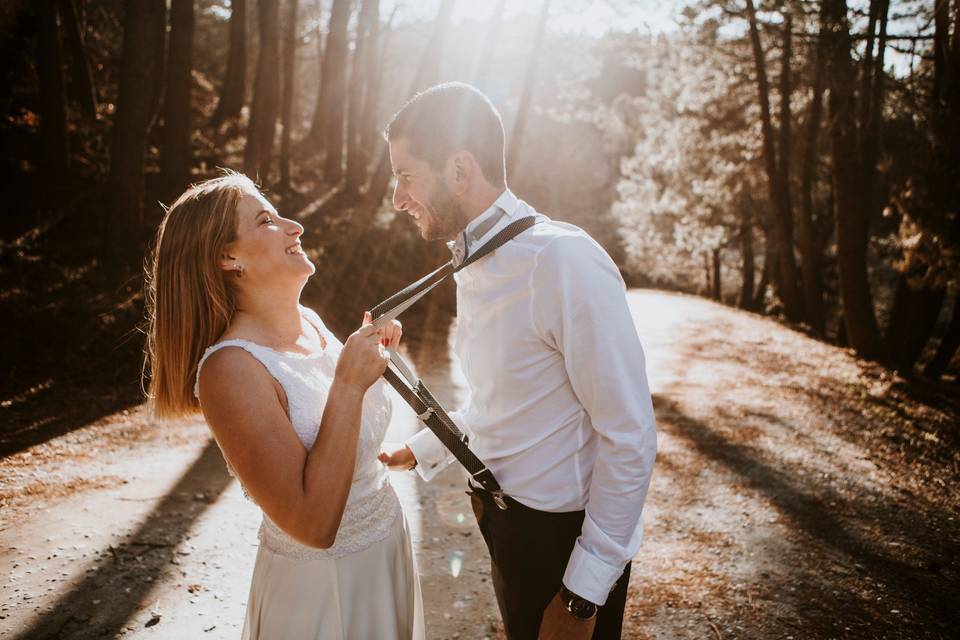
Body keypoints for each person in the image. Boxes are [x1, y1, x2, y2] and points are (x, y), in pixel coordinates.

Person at [378, 83, 657, 640]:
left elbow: (630, 435)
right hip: (509, 529)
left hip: (563, 548)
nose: (396, 197)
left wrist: (581, 595)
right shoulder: (478, 258)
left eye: (406, 176)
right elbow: (502, 400)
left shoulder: (561, 261)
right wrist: (424, 448)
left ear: (460, 169)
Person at [144, 171, 424, 640]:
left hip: (387, 555)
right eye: (267, 220)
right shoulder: (230, 370)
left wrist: (368, 364)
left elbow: (344, 439)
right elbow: (313, 525)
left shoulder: (311, 324)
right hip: (321, 593)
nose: (296, 226)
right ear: (228, 257)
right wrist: (350, 384)